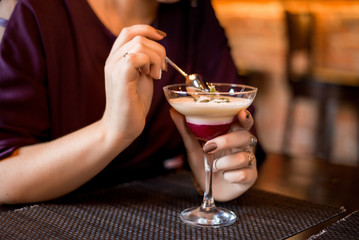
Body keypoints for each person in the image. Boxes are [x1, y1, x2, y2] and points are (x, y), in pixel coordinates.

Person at [0, 0, 263, 205]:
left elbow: (241, 132)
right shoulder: (38, 12)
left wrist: (217, 168)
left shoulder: (194, 12)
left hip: (163, 214)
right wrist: (112, 132)